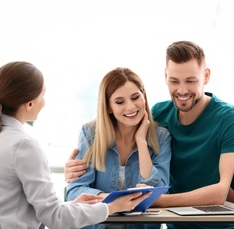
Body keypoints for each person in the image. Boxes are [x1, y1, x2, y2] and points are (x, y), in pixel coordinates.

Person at [64, 41, 234, 229]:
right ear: (165, 76)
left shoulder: (230, 118)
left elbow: (227, 191)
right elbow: (76, 188)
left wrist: (157, 200)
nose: (182, 90)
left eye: (191, 81)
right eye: (174, 81)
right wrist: (74, 171)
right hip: (178, 226)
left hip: (224, 227)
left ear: (206, 76)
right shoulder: (159, 115)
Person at [0, 61, 152, 229]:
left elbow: (43, 211)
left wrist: (75, 205)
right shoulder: (23, 145)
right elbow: (55, 219)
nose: (44, 102)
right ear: (30, 104)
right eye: (43, 94)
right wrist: (112, 207)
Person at [65, 67, 171, 229]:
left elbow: (159, 194)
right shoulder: (91, 134)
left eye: (135, 97)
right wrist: (113, 200)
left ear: (144, 97)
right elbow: (74, 191)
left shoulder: (161, 137)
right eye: (120, 102)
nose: (130, 107)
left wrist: (141, 142)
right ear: (108, 107)